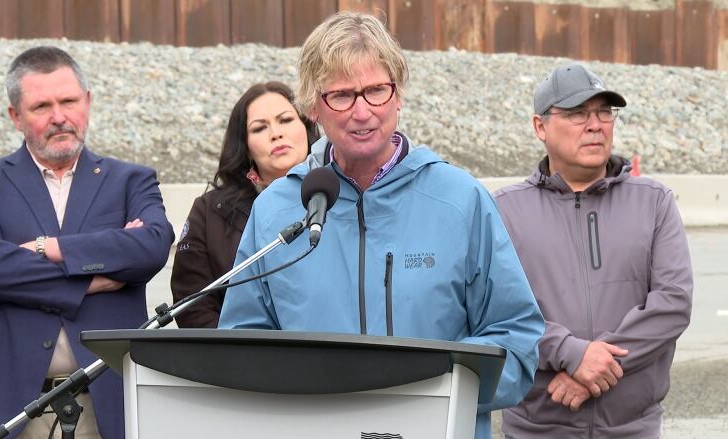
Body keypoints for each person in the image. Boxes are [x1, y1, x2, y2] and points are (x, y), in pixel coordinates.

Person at [218, 11, 544, 439]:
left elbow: (516, 338)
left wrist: (433, 392)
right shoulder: (277, 211)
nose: (362, 111)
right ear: (313, 106)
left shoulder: (460, 200)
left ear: (398, 95)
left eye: (375, 90)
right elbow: (242, 347)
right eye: (342, 95)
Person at [0, 46, 174, 439]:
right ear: (15, 116)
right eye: (41, 107)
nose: (59, 117)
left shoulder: (131, 180)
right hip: (7, 403)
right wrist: (94, 276)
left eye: (69, 101)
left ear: (87, 102)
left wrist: (47, 248)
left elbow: (152, 246)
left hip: (110, 402)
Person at [494, 64, 693, 438]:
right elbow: (496, 312)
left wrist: (594, 368)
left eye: (604, 112)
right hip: (537, 429)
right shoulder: (504, 211)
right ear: (540, 126)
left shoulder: (654, 202)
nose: (595, 124)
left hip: (632, 429)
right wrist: (570, 353)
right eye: (576, 113)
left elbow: (673, 303)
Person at [170, 81, 319, 328]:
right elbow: (193, 305)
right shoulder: (209, 213)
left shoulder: (342, 193)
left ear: (306, 127)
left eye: (285, 120)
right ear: (246, 147)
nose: (276, 133)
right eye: (260, 128)